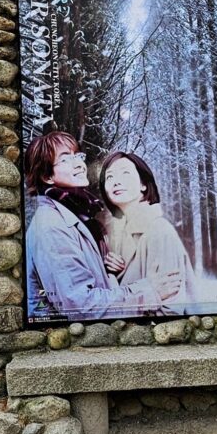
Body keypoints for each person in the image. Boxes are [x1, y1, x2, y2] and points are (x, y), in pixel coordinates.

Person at [24, 129, 180, 319]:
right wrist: (149, 293)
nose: (80, 165)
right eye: (65, 159)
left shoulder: (79, 217)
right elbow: (81, 306)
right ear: (47, 176)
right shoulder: (52, 225)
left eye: (78, 156)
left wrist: (107, 270)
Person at [99, 151, 199, 316]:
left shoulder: (159, 231)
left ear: (143, 184)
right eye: (109, 177)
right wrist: (110, 272)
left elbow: (172, 308)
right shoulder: (114, 236)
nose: (116, 182)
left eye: (125, 173)